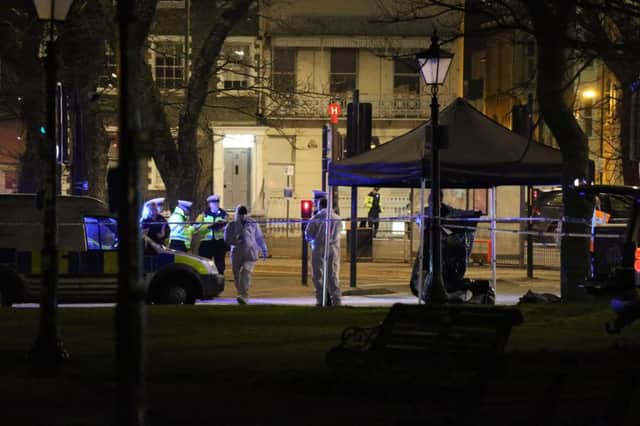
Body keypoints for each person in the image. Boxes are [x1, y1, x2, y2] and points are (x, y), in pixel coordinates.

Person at [224, 205, 268, 304]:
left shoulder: (252, 223)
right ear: (237, 214)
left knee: (245, 272)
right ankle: (240, 293)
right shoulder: (231, 225)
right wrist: (236, 241)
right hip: (237, 253)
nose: (242, 216)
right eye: (240, 214)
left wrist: (264, 249)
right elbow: (227, 239)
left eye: (244, 214)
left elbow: (259, 237)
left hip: (250, 253)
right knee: (236, 274)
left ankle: (244, 295)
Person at [305, 198, 342, 307]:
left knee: (318, 275)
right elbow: (339, 233)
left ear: (320, 205)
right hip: (333, 248)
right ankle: (336, 300)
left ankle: (321, 300)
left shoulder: (316, 218)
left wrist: (313, 239)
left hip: (319, 247)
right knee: (333, 274)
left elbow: (308, 234)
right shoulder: (337, 218)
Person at [195, 194, 229, 275]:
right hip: (206, 243)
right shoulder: (203, 214)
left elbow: (228, 228)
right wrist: (209, 226)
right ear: (209, 204)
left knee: (220, 266)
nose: (215, 205)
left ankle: (219, 282)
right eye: (213, 203)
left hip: (219, 243)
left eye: (216, 203)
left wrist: (222, 228)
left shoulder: (224, 214)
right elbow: (196, 228)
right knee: (205, 265)